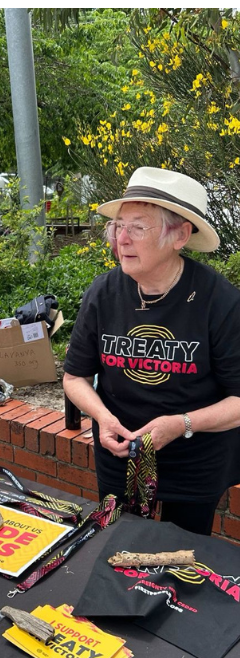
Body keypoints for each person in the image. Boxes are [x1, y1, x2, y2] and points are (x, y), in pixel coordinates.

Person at [63, 167, 240, 536]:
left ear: (180, 235)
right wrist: (102, 416)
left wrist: (181, 424)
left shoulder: (218, 301)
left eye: (138, 228)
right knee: (114, 548)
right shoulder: (104, 292)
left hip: (195, 461)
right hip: (119, 452)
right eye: (117, 226)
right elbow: (75, 375)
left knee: (181, 563)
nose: (121, 240)